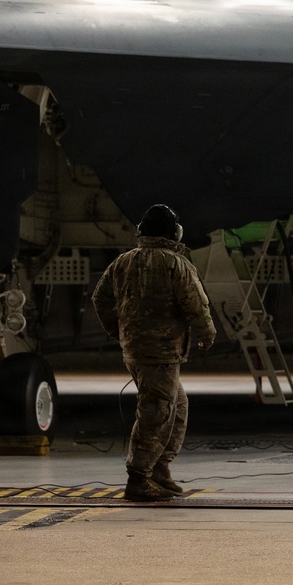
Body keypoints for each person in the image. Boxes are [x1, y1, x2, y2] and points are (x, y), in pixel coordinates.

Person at [92, 204, 217, 502]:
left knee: (178, 406)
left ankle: (160, 468)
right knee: (156, 414)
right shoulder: (176, 263)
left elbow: (100, 299)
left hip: (135, 351)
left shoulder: (122, 262)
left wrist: (119, 332)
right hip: (161, 353)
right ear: (175, 233)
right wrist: (206, 335)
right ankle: (138, 479)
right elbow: (196, 305)